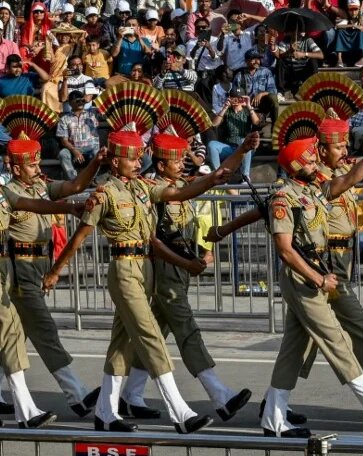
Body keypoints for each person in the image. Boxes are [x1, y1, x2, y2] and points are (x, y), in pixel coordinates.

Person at [42, 88, 240, 434]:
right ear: (115, 160)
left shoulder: (141, 188)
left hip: (144, 269)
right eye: (132, 158)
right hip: (123, 269)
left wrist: (211, 179)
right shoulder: (104, 193)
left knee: (122, 342)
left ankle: (105, 412)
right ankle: (180, 411)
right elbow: (80, 237)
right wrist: (56, 271)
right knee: (149, 335)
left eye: (138, 158)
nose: (138, 162)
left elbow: (178, 192)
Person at [249, 101, 363, 437]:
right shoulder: (286, 197)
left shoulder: (314, 189)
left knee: (294, 349)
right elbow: (284, 249)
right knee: (336, 341)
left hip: (323, 271)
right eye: (312, 156)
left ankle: (273, 412)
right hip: (310, 275)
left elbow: (356, 173)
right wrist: (319, 277)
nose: (317, 160)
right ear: (299, 163)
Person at [116, 129, 259, 425]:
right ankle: (219, 394)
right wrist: (186, 262)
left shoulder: (181, 185)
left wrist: (243, 148)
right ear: (160, 166)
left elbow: (218, 174)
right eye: (176, 161)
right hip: (164, 267)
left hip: (182, 267)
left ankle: (130, 393)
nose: (183, 165)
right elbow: (153, 241)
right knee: (186, 327)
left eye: (183, 160)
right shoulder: (151, 191)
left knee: (159, 328)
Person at [2, 97, 103, 418]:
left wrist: (96, 163)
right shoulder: (9, 191)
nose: (38, 167)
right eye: (31, 164)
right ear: (14, 167)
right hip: (17, 270)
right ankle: (77, 394)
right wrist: (68, 207)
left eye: (37, 162)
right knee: (42, 330)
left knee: (13, 333)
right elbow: (32, 207)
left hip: (37, 265)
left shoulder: (41, 186)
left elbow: (75, 185)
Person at [209, 88, 260, 179]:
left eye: (239, 98)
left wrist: (248, 105)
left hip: (246, 147)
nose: (237, 100)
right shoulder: (226, 111)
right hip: (229, 148)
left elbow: (256, 122)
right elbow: (214, 124)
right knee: (212, 144)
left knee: (245, 141)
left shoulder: (247, 111)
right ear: (230, 98)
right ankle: (217, 175)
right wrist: (225, 107)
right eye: (234, 98)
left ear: (244, 98)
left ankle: (245, 176)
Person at [56, 91, 99, 180]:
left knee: (97, 151)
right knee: (63, 153)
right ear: (71, 103)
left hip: (89, 148)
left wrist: (86, 99)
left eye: (82, 101)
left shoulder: (91, 115)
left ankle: (92, 179)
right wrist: (74, 151)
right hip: (73, 148)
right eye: (77, 101)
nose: (80, 103)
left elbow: (95, 135)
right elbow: (64, 141)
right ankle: (74, 180)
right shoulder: (64, 119)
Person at [232, 49, 278, 124]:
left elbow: (273, 91)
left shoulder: (266, 72)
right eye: (253, 59)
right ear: (246, 61)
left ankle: (275, 126)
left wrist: (261, 94)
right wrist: (246, 103)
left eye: (258, 59)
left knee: (273, 97)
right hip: (246, 105)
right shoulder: (240, 75)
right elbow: (234, 95)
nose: (257, 61)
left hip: (263, 104)